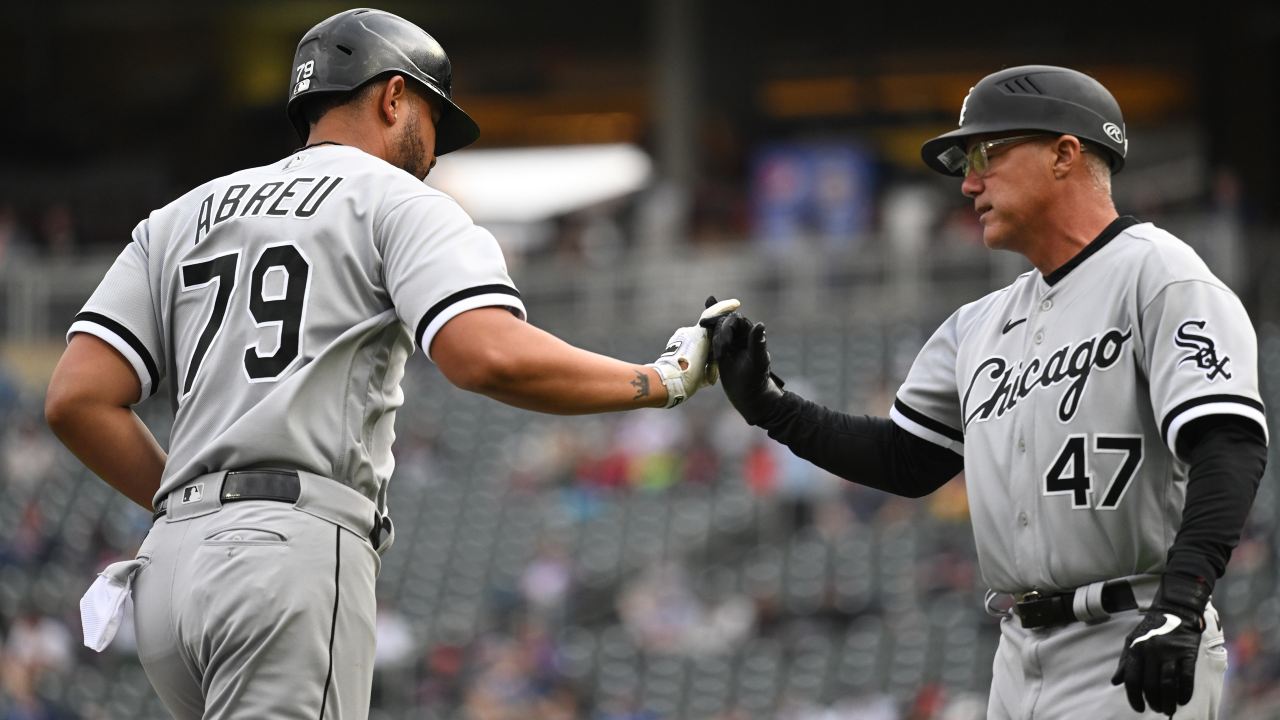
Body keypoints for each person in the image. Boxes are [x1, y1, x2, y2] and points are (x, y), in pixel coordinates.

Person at [43, 9, 736, 719]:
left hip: (166, 576)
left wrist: (202, 509)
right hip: (285, 556)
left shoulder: (179, 216)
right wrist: (662, 380)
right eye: (435, 120)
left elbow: (76, 398)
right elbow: (485, 355)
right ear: (393, 96)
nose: (435, 152)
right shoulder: (398, 200)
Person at [702, 65, 1269, 718]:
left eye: (987, 155)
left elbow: (1229, 440)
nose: (969, 182)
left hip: (1133, 633)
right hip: (1015, 655)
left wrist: (1181, 603)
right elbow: (906, 461)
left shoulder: (1161, 275)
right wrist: (772, 410)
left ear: (1065, 154)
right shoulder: (978, 324)